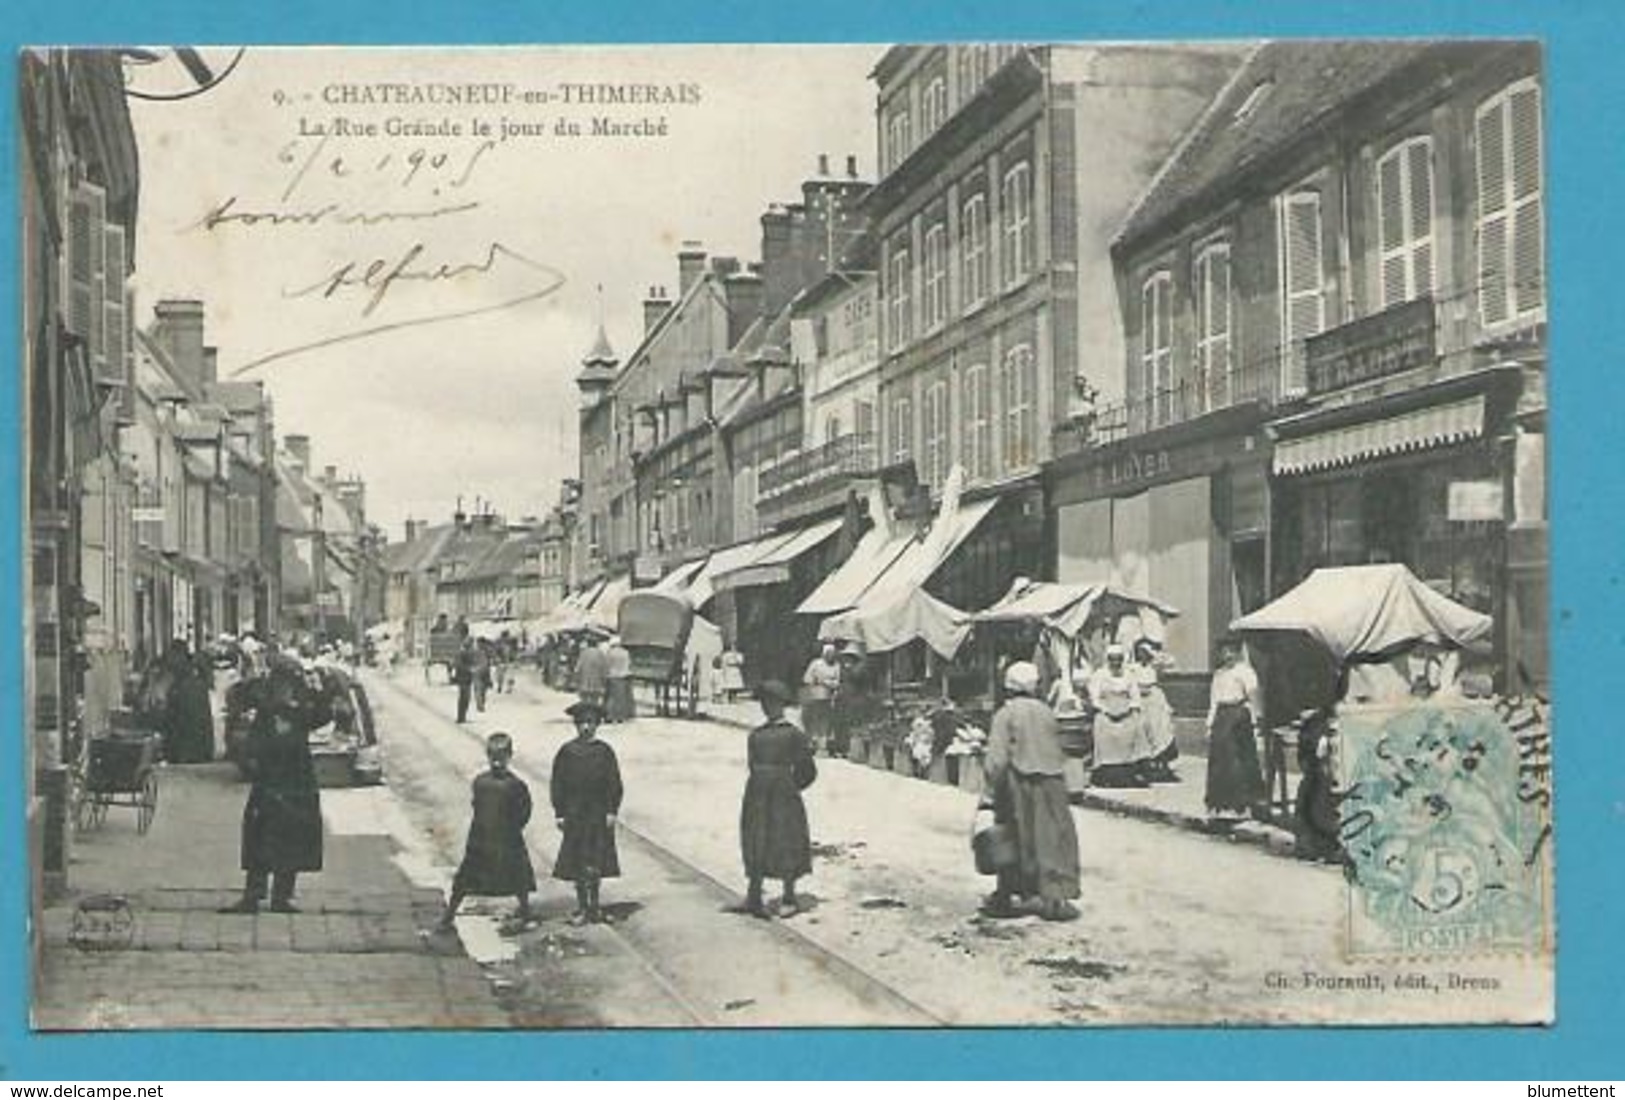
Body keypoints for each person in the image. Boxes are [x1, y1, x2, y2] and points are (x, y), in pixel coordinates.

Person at [220, 658, 329, 914]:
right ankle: (254, 894)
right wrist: (253, 761)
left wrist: (318, 690)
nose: (284, 690)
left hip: (296, 783)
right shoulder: (266, 711)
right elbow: (238, 705)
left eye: (289, 685)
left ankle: (282, 895)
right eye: (279, 684)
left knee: (291, 840)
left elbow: (324, 714)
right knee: (259, 837)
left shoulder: (301, 711)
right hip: (269, 784)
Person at [982, 662, 1081, 922]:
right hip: (1052, 781)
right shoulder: (1046, 712)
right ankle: (1056, 897)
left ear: (1009, 686)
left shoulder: (1006, 714)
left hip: (1019, 781)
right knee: (1053, 837)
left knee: (1012, 837)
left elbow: (996, 759)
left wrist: (991, 790)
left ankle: (1007, 895)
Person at [439, 732, 536, 931]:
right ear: (487, 756)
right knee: (465, 878)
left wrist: (513, 828)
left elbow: (525, 810)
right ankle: (449, 914)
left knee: (519, 877)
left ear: (510, 756)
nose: (497, 762)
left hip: (508, 837)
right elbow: (477, 805)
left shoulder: (516, 785)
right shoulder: (480, 782)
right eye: (493, 757)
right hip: (481, 838)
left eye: (501, 758)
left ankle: (525, 910)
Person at [737, 680, 817, 918]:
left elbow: (807, 771)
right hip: (757, 793)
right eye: (764, 703)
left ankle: (789, 896)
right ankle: (753, 894)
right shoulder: (756, 735)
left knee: (785, 840)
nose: (767, 708)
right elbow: (751, 764)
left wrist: (790, 787)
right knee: (755, 838)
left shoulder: (794, 735)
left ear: (782, 705)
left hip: (783, 795)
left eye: (772, 703)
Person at [551, 700, 624, 925]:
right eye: (581, 722)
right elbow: (558, 783)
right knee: (578, 862)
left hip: (597, 814)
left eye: (590, 722)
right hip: (574, 814)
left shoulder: (604, 752)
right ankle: (582, 906)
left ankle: (595, 906)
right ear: (575, 725)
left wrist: (612, 810)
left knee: (596, 862)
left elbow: (615, 783)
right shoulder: (567, 752)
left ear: (597, 725)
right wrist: (560, 812)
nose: (585, 727)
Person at [1205, 635, 1266, 822]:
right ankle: (1221, 803)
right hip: (1222, 717)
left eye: (1232, 651)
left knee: (1238, 760)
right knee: (1220, 761)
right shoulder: (1219, 674)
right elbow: (1214, 701)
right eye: (1224, 652)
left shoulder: (1245, 672)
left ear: (1238, 652)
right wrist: (1209, 724)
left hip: (1239, 716)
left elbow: (1254, 697)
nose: (1228, 655)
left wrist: (1257, 720)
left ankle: (1243, 804)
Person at [1086, 644, 1151, 788]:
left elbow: (1135, 696)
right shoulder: (1099, 675)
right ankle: (1107, 772)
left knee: (1136, 726)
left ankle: (1133, 770)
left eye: (1119, 660)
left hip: (1125, 710)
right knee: (1102, 726)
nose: (1116, 663)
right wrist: (1106, 710)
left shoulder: (1129, 675)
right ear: (1107, 660)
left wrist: (1128, 709)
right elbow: (1094, 698)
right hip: (1106, 711)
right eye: (1112, 660)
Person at [1132, 639, 1180, 782]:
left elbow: (1171, 662)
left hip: (1155, 700)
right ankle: (1147, 766)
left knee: (1161, 731)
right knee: (1144, 732)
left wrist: (1153, 653)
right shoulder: (1133, 668)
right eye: (1139, 652)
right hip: (1140, 700)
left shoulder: (1154, 666)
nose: (1142, 655)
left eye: (1144, 652)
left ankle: (1163, 765)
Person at [163, 640, 216, 764]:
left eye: (173, 654)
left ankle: (188, 752)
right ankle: (198, 752)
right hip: (191, 695)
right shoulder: (191, 672)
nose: (171, 659)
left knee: (186, 721)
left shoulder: (187, 675)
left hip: (188, 696)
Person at [800, 644, 842, 754]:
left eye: (833, 653)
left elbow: (838, 680)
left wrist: (828, 683)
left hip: (829, 696)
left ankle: (823, 745)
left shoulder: (836, 665)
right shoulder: (816, 664)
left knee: (825, 720)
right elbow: (807, 679)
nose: (830, 656)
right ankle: (811, 743)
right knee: (813, 718)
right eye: (828, 653)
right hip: (814, 695)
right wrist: (816, 683)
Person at [574, 637, 610, 710]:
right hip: (597, 680)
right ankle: (593, 715)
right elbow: (604, 667)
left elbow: (578, 667)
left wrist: (577, 679)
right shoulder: (600, 654)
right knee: (595, 699)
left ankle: (585, 714)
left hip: (584, 680)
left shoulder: (583, 653)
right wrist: (604, 679)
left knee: (584, 699)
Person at [605, 636, 634, 723]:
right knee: (621, 698)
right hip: (623, 676)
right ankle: (620, 716)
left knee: (611, 698)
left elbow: (607, 664)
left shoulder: (610, 653)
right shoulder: (625, 652)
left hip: (612, 676)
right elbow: (629, 663)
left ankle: (610, 716)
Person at [452, 638, 476, 724]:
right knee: (464, 698)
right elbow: (459, 665)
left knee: (465, 698)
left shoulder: (467, 653)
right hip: (463, 678)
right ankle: (461, 717)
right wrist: (469, 669)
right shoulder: (461, 653)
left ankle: (462, 717)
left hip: (466, 678)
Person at [471, 638, 494, 713]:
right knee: (478, 688)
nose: (479, 645)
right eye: (478, 643)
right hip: (477, 671)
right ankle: (479, 704)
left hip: (485, 671)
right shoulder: (474, 651)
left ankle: (481, 703)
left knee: (484, 689)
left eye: (481, 643)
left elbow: (491, 659)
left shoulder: (487, 651)